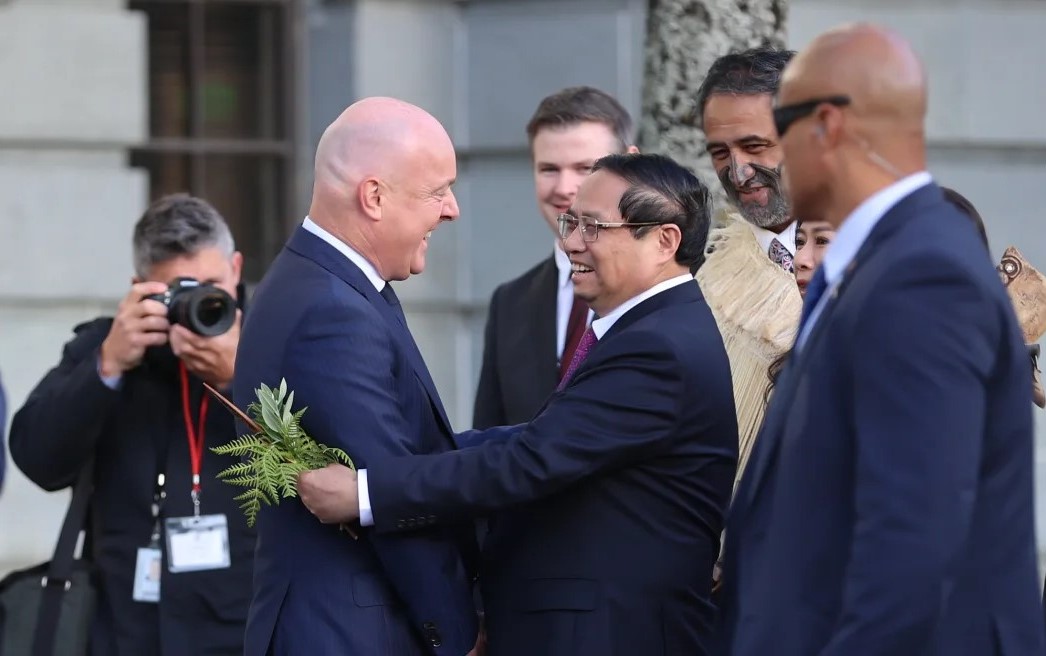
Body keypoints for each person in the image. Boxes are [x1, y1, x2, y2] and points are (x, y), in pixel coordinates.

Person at [297, 152, 739, 656]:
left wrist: (366, 492)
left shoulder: (660, 346)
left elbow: (530, 461)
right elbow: (539, 441)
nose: (571, 242)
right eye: (571, 222)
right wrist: (413, 448)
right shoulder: (651, 329)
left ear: (664, 240)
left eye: (593, 227)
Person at [716, 23, 1045, 655]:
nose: (745, 170)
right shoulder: (884, 261)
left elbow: (912, 545)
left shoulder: (924, 274)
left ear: (827, 129)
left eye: (773, 138)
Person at [232, 97, 483, 656]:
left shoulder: (324, 284)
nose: (452, 209)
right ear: (374, 197)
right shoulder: (332, 310)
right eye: (437, 191)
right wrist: (458, 635)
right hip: (349, 634)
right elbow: (392, 493)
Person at [9, 194, 255, 656]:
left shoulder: (274, 342)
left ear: (236, 269)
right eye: (178, 292)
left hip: (244, 629)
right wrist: (106, 367)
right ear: (139, 287)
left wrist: (239, 379)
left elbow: (321, 462)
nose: (197, 305)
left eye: (211, 286)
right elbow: (37, 460)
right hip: (126, 629)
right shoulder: (106, 346)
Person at [473, 86, 635, 428]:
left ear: (632, 166)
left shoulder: (678, 288)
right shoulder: (509, 304)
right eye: (549, 169)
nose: (564, 188)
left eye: (585, 167)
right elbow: (489, 440)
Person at [692, 47, 804, 482]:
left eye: (755, 146)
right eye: (720, 152)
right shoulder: (701, 275)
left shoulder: (885, 256)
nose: (738, 172)